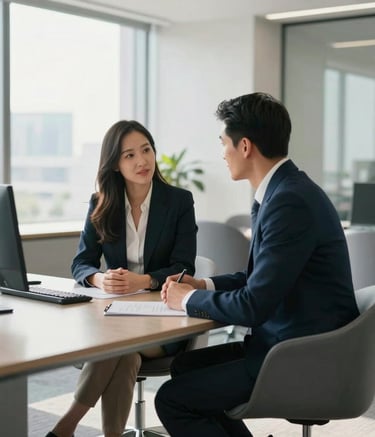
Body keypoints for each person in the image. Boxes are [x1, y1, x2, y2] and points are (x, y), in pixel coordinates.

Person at [155, 92, 360, 437]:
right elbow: (257, 280)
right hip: (291, 343)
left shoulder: (288, 202)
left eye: (224, 143)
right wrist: (201, 286)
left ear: (245, 146)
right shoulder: (284, 191)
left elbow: (254, 305)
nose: (222, 153)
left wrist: (184, 300)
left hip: (303, 357)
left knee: (172, 399)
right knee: (186, 367)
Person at [45, 120, 197, 437]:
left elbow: (185, 267)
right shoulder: (101, 203)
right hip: (116, 319)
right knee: (125, 354)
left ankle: (66, 425)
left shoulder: (178, 202)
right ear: (115, 163)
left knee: (118, 346)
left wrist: (144, 281)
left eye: (146, 150)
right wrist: (100, 279)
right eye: (129, 155)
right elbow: (81, 263)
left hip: (164, 319)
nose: (141, 161)